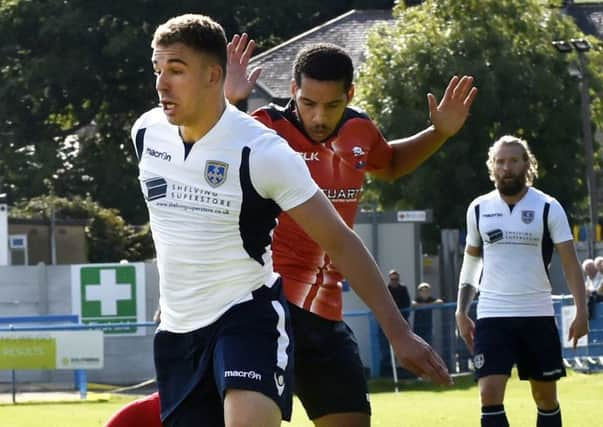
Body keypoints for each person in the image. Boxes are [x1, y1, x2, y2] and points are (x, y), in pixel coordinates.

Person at [122, 14, 451, 427]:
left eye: (175, 71)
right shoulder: (146, 133)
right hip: (178, 331)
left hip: (247, 316)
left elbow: (341, 240)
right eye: (158, 70)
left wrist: (399, 332)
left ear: (212, 75)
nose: (161, 84)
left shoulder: (263, 152)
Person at [225, 34, 477, 426]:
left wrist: (439, 133)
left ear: (351, 94)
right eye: (308, 103)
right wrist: (226, 104)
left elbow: (390, 164)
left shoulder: (359, 130)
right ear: (293, 90)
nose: (319, 117)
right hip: (263, 308)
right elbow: (208, 151)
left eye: (332, 104)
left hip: (324, 316)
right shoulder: (264, 129)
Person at [455, 135, 588, 427]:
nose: (507, 167)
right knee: (489, 395)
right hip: (492, 315)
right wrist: (461, 310)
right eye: (500, 162)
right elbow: (472, 261)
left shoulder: (547, 207)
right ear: (492, 167)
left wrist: (582, 310)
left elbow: (570, 264)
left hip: (536, 314)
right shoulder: (478, 208)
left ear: (526, 164)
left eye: (514, 160)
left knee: (545, 398)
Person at [379, 269, 411, 374]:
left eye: (396, 279)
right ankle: (387, 372)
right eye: (392, 279)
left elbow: (407, 304)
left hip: (401, 323)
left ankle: (406, 371)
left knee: (405, 347)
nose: (394, 281)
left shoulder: (403, 289)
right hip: (388, 323)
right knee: (386, 349)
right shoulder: (386, 289)